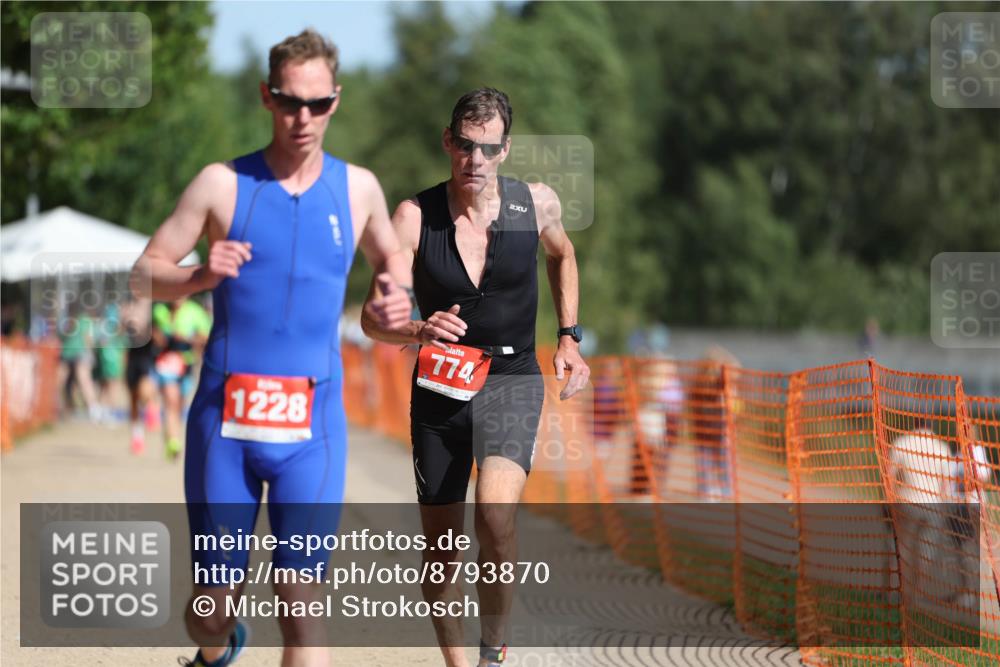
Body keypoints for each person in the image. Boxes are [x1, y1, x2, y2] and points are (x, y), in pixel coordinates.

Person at [131, 29, 409, 667]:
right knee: (210, 609)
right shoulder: (221, 185)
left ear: (335, 101)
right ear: (267, 96)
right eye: (288, 102)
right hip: (223, 427)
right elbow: (144, 273)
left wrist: (398, 293)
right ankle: (216, 648)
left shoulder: (359, 188)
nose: (302, 117)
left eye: (316, 104)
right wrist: (200, 275)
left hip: (313, 424)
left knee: (302, 604)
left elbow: (392, 256)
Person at [361, 87, 590, 667]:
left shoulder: (536, 205)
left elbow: (563, 255)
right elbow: (372, 318)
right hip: (439, 389)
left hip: (512, 378)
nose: (475, 160)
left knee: (494, 515)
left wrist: (569, 336)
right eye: (465, 145)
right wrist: (416, 329)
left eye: (487, 148)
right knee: (440, 555)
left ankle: (493, 651)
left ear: (505, 150)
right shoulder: (415, 217)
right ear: (448, 141)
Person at [151, 297, 211, 459]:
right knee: (171, 401)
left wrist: (186, 339)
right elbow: (154, 335)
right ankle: (173, 441)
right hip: (166, 361)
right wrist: (163, 337)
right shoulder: (159, 310)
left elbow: (205, 337)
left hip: (187, 363)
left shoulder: (195, 311)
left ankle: (172, 434)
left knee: (179, 405)